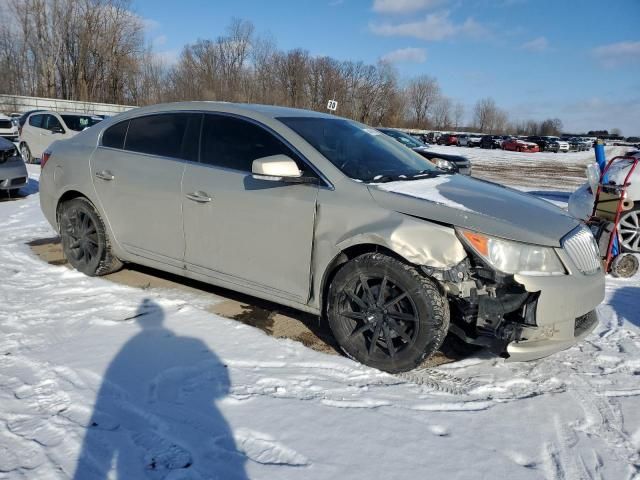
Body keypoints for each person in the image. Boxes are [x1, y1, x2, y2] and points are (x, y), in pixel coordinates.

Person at [73, 298, 247, 479]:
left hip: (143, 395)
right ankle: (147, 435)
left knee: (140, 424)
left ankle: (144, 431)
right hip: (154, 397)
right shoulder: (185, 343)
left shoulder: (136, 343)